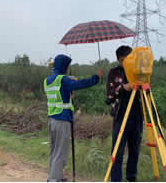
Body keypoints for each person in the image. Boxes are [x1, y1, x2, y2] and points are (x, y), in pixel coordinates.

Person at [44, 54, 103, 182]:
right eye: (68, 66)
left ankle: (54, 176)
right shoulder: (63, 80)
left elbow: (59, 94)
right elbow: (80, 84)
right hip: (62, 119)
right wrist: (96, 78)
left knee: (54, 150)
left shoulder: (48, 80)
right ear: (64, 66)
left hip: (52, 120)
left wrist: (68, 94)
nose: (68, 68)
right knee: (60, 152)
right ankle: (54, 179)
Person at [106, 45, 143, 182]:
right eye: (123, 60)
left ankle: (131, 177)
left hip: (137, 116)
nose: (126, 62)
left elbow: (146, 91)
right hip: (120, 116)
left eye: (128, 59)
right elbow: (110, 93)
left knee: (135, 150)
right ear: (118, 60)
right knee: (117, 151)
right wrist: (124, 88)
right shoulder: (114, 73)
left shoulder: (139, 72)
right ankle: (116, 180)